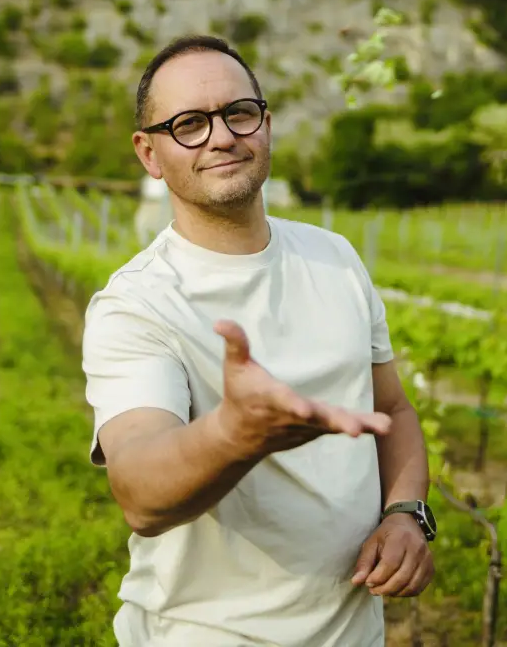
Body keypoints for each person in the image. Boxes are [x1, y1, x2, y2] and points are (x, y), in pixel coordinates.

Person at [81, 34, 436, 647]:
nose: (220, 136)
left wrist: (408, 514)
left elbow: (394, 408)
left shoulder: (336, 258)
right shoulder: (135, 305)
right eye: (188, 123)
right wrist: (235, 435)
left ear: (265, 123)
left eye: (238, 113)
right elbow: (139, 493)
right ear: (149, 153)